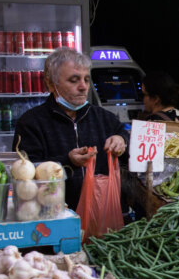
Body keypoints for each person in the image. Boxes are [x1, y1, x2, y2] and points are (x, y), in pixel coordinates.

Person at [14, 47, 128, 211]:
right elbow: (25, 173)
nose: (83, 87)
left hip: (102, 213)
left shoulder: (104, 118)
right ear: (51, 84)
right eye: (74, 80)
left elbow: (128, 143)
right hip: (55, 213)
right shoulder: (31, 123)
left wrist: (122, 139)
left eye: (86, 80)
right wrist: (67, 162)